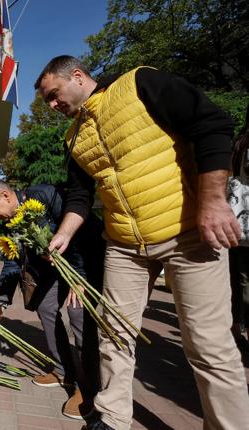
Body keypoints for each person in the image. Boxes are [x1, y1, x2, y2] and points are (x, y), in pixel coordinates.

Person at [34, 55, 249, 430]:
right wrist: (64, 233)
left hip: (187, 233)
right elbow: (80, 197)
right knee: (113, 334)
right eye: (47, 102)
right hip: (124, 247)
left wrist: (214, 202)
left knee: (208, 346)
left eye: (53, 95)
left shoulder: (140, 84)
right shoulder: (74, 136)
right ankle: (113, 419)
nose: (53, 106)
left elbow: (211, 123)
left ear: (79, 77)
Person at [0, 178, 105, 420]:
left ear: (5, 196)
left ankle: (89, 389)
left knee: (78, 311)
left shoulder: (45, 197)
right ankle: (64, 370)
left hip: (87, 259)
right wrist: (0, 303)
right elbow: (12, 261)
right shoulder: (11, 222)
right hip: (58, 267)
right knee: (45, 306)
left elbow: (77, 235)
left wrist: (79, 279)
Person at [230, 104, 249, 353]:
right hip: (244, 220)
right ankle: (238, 326)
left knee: (239, 276)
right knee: (243, 277)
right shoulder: (244, 145)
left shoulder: (239, 143)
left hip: (238, 218)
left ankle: (237, 325)